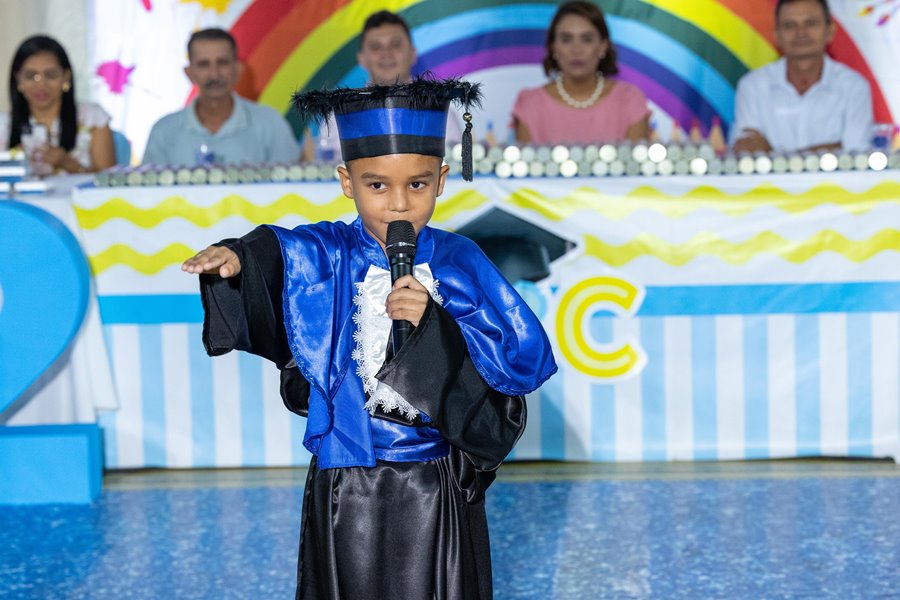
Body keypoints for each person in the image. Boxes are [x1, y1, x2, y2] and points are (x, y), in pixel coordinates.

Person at [182, 77, 557, 599]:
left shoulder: (461, 259)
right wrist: (237, 258)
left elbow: (508, 363)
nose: (398, 204)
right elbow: (279, 250)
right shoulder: (331, 250)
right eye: (377, 185)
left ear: (443, 179)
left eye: (418, 185)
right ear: (346, 181)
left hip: (433, 480)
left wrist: (436, 327)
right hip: (347, 481)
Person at [308, 10, 462, 162]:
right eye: (376, 47)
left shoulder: (439, 113)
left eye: (395, 44)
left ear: (413, 53)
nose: (386, 53)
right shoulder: (339, 116)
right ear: (362, 59)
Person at [731, 0, 873, 154]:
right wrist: (832, 149)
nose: (801, 33)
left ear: (830, 31)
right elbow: (746, 150)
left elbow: (854, 156)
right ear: (776, 35)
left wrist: (773, 154)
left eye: (811, 23)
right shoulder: (753, 86)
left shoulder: (853, 87)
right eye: (790, 26)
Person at [142, 28, 300, 166]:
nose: (214, 74)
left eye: (222, 63)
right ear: (189, 73)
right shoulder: (164, 132)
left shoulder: (270, 124)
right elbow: (148, 197)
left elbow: (292, 189)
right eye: (204, 64)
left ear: (237, 70)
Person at [511, 1, 650, 145]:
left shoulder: (629, 100)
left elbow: (636, 165)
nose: (576, 49)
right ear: (553, 47)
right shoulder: (530, 104)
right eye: (566, 39)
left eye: (587, 39)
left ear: (603, 46)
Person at [1, 35, 115, 173]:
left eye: (50, 75)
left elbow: (109, 183)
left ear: (66, 77)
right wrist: (10, 165)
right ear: (18, 80)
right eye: (31, 76)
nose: (41, 84)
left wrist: (69, 164)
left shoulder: (92, 117)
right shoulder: (3, 124)